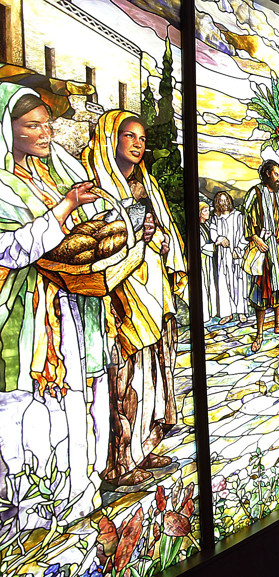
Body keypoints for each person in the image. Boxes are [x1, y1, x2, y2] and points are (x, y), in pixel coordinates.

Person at [0, 85, 105, 524]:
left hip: (66, 305)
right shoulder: (3, 183)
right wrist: (65, 207)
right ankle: (25, 503)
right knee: (21, 406)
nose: (45, 133)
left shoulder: (49, 173)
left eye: (48, 124)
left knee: (71, 400)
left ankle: (73, 490)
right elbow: (11, 249)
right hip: (24, 314)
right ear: (9, 130)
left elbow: (72, 235)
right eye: (33, 126)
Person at [82, 110, 186, 487]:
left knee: (150, 375)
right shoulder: (97, 186)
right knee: (121, 379)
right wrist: (133, 236)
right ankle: (118, 462)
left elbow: (165, 235)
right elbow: (96, 242)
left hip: (151, 290)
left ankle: (143, 446)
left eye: (142, 138)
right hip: (118, 295)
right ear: (112, 139)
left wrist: (158, 242)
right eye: (130, 136)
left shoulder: (148, 185)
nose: (138, 143)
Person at [244, 159, 279, 352]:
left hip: (277, 250)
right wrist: (257, 239)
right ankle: (259, 334)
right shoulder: (255, 194)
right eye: (276, 174)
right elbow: (247, 219)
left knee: (278, 289)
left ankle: (277, 324)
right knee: (262, 292)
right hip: (263, 250)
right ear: (266, 174)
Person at [210, 191, 247, 324]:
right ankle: (227, 313)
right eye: (221, 201)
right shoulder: (216, 217)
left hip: (236, 254)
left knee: (238, 282)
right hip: (223, 255)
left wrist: (239, 249)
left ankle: (241, 311)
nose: (224, 203)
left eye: (226, 200)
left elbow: (244, 234)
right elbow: (212, 232)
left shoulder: (237, 216)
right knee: (224, 282)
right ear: (217, 203)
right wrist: (220, 239)